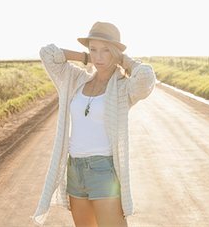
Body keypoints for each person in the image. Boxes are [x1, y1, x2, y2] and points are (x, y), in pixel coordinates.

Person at [31, 21, 156, 227]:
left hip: (103, 170)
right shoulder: (77, 79)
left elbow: (146, 77)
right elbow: (48, 53)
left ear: (116, 52)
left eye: (106, 50)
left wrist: (125, 61)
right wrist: (85, 58)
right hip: (75, 170)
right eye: (93, 49)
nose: (99, 56)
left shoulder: (123, 88)